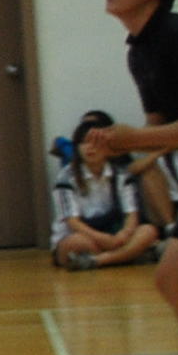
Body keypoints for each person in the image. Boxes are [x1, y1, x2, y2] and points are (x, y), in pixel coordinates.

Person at [86, 0, 178, 355]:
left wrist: (138, 138)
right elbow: (159, 127)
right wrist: (119, 145)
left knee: (176, 274)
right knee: (172, 278)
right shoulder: (139, 51)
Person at [54, 112, 159, 269]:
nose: (90, 147)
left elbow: (132, 214)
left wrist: (124, 234)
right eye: (84, 143)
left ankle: (99, 260)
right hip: (83, 235)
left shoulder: (121, 174)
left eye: (95, 142)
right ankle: (127, 255)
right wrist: (102, 239)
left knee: (148, 231)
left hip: (114, 235)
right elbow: (73, 222)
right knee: (77, 243)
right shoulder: (66, 177)